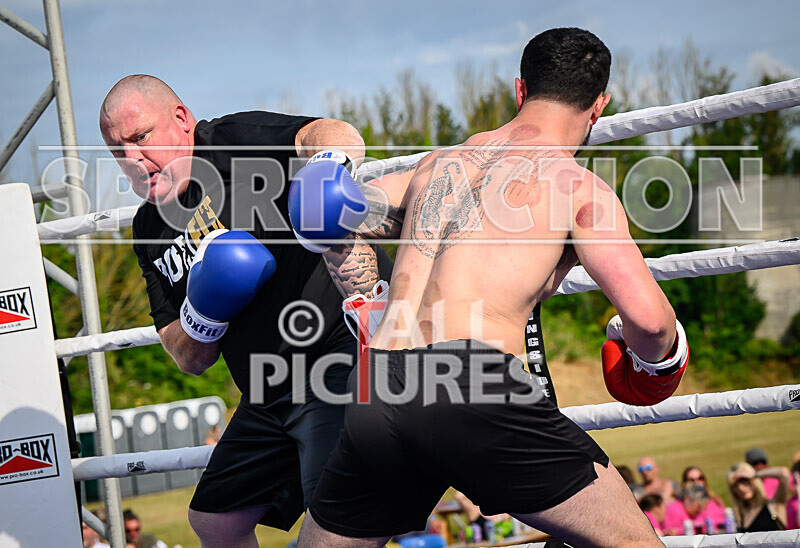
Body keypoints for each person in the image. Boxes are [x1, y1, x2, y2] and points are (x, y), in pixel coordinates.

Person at [292, 27, 689, 547]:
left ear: (520, 90)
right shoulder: (577, 187)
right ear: (599, 107)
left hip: (379, 387)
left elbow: (321, 215)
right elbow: (652, 322)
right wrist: (663, 358)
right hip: (473, 389)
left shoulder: (435, 166)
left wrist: (328, 164)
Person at [100, 75, 393, 547]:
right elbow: (186, 355)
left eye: (140, 138)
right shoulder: (149, 226)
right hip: (265, 390)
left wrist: (326, 167)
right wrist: (204, 307)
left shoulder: (231, 142)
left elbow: (333, 132)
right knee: (215, 521)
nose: (132, 159)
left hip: (336, 363)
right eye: (118, 151)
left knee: (338, 521)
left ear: (181, 120)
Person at [727, 462, 791, 532]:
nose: (741, 488)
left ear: (754, 480)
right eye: (735, 485)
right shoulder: (739, 516)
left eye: (744, 480)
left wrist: (754, 474)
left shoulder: (774, 505)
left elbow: (784, 474)